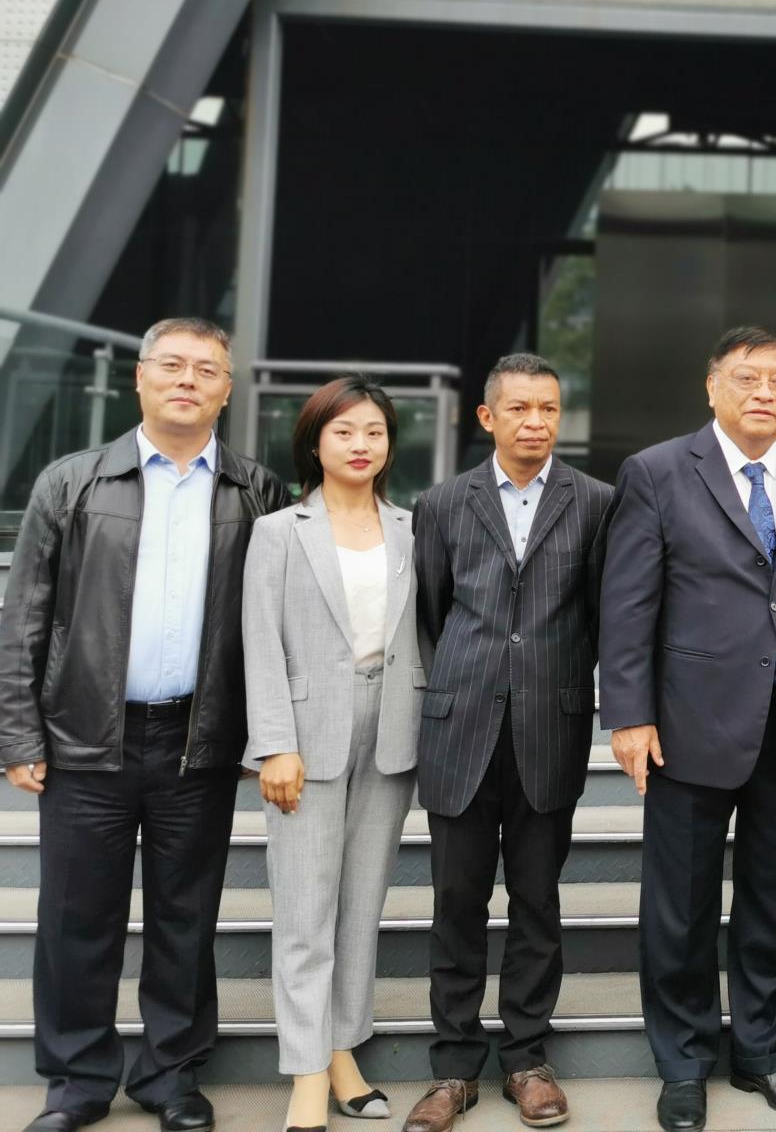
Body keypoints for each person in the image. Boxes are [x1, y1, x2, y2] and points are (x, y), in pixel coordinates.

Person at [0, 317, 289, 1132]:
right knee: (74, 918)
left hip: (199, 742)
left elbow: (277, 623)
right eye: (171, 365)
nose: (187, 380)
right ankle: (77, 1082)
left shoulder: (256, 490)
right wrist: (18, 733)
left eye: (206, 369)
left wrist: (267, 734)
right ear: (139, 377)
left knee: (185, 920)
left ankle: (170, 1076)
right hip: (85, 740)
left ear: (227, 389)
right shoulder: (71, 482)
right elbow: (24, 618)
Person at [599, 327, 776, 1132]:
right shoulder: (658, 471)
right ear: (712, 386)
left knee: (775, 901)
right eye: (747, 378)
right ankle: (683, 1065)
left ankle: (765, 1055)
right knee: (681, 907)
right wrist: (629, 714)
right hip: (688, 722)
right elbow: (628, 603)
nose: (764, 393)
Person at [400, 354, 615, 1132]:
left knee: (537, 902)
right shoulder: (441, 502)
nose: (536, 422)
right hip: (459, 727)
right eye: (520, 408)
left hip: (548, 728)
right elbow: (432, 611)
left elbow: (601, 613)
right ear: (487, 417)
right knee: (456, 903)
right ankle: (454, 1068)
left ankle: (526, 1058)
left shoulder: (596, 502)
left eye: (549, 408)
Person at [242, 377, 424, 1132]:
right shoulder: (279, 531)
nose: (361, 444)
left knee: (360, 908)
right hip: (306, 735)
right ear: (315, 442)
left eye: (374, 432)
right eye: (344, 431)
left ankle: (344, 1051)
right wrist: (274, 744)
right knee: (305, 913)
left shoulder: (412, 527)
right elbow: (259, 641)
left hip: (392, 730)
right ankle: (308, 1074)